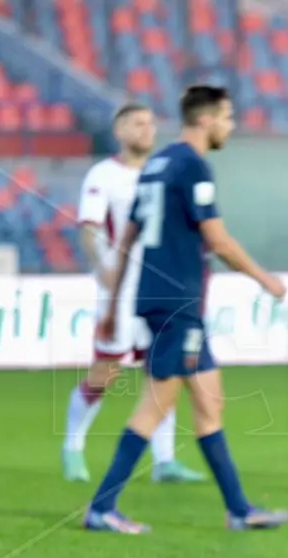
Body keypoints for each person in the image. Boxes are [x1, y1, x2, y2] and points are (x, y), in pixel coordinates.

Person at [82, 85, 288, 534]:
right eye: (227, 117)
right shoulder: (193, 165)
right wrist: (264, 278)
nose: (230, 126)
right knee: (153, 409)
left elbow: (128, 240)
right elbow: (216, 240)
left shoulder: (157, 165)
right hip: (178, 304)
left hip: (162, 301)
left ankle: (239, 509)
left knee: (210, 406)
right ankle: (101, 508)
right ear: (205, 119)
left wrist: (114, 304)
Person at [62, 102, 204, 486]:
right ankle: (73, 447)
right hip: (119, 290)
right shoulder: (103, 174)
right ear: (120, 130)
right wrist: (102, 269)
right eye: (137, 123)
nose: (146, 129)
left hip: (160, 287)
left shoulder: (165, 171)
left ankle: (165, 461)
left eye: (151, 123)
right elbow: (89, 227)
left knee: (164, 370)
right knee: (105, 372)